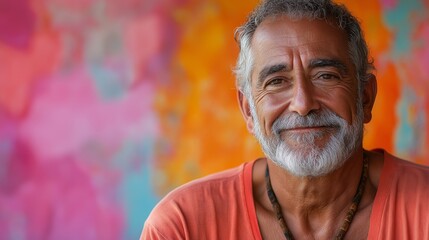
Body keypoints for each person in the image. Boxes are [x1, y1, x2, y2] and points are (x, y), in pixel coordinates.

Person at [141, 0, 429, 239]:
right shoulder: (182, 226)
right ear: (249, 111)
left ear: (365, 97)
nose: (303, 104)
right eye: (277, 81)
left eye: (325, 76)